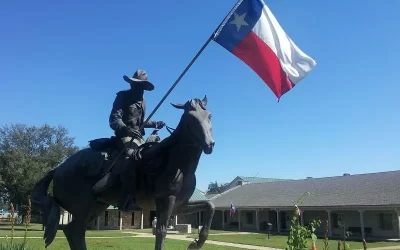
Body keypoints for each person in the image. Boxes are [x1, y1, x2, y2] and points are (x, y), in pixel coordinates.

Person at [92, 69, 165, 212]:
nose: (138, 88)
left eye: (140, 86)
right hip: (123, 136)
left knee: (152, 155)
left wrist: (155, 123)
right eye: (135, 84)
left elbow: (141, 122)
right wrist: (127, 130)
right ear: (131, 84)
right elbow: (114, 120)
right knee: (133, 157)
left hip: (138, 137)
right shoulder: (122, 97)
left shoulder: (143, 102)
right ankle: (126, 198)